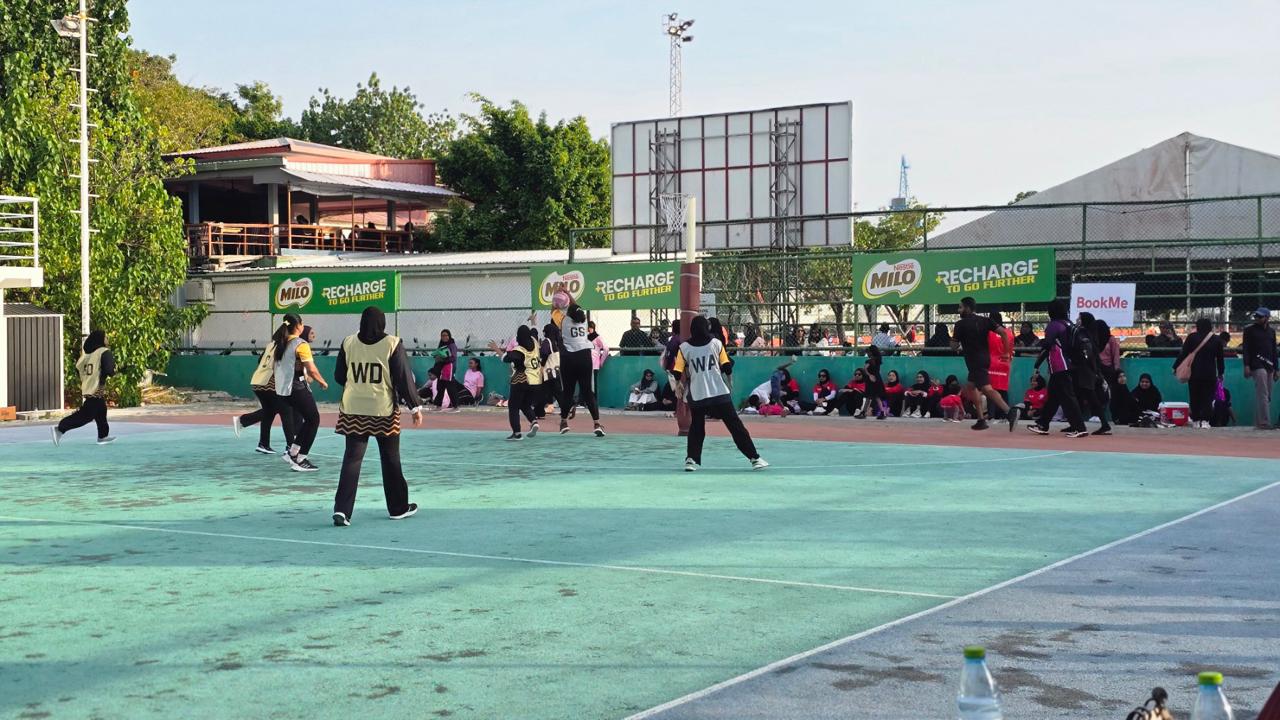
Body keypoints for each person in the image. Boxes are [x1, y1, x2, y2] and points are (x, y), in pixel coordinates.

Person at [331, 307, 425, 526]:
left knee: (352, 459)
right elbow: (402, 377)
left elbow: (339, 376)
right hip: (383, 409)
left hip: (353, 409)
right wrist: (415, 407)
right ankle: (398, 508)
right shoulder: (392, 343)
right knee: (390, 459)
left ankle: (342, 510)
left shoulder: (348, 342)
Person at [673, 315, 768, 471]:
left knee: (697, 427)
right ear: (706, 328)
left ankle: (691, 460)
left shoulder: (684, 348)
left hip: (697, 394)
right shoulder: (716, 343)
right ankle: (754, 458)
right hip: (718, 392)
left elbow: (677, 371)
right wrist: (730, 382)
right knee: (735, 426)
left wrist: (678, 385)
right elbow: (727, 366)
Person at [951, 297, 1018, 430]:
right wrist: (1006, 352)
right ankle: (981, 419)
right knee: (971, 387)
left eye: (960, 307)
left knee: (987, 389)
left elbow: (954, 346)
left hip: (974, 361)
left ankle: (1010, 412)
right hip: (984, 359)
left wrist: (954, 341)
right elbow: (1004, 333)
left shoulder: (960, 324)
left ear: (967, 308)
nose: (959, 310)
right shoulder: (985, 320)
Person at [273, 316, 328, 471]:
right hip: (296, 387)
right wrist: (322, 381)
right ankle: (301, 459)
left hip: (282, 390)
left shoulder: (280, 343)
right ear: (298, 326)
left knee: (308, 419)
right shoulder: (300, 344)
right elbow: (311, 369)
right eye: (302, 323)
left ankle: (292, 452)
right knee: (314, 419)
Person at [1030, 299, 1087, 437]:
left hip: (1059, 365)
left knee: (1068, 398)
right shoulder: (1068, 323)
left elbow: (1047, 345)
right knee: (1054, 397)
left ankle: (1080, 428)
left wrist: (1038, 359)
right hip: (1069, 364)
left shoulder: (1053, 325)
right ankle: (1043, 424)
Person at [52, 330, 117, 446]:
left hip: (88, 387)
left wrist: (87, 378)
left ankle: (103, 436)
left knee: (101, 410)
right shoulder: (104, 351)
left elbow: (78, 368)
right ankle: (60, 428)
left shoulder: (87, 354)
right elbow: (109, 370)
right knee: (86, 415)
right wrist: (113, 372)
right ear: (100, 339)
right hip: (96, 388)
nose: (107, 339)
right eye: (106, 337)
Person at [553, 295, 605, 437]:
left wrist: (557, 299)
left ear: (569, 313)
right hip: (584, 357)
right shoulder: (584, 321)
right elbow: (577, 307)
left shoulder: (564, 321)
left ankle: (564, 422)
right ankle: (597, 424)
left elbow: (554, 310)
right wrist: (568, 293)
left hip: (569, 358)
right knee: (587, 391)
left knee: (568, 392)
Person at [233, 332, 293, 454]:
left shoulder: (271, 345)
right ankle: (290, 446)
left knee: (269, 412)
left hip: (258, 381)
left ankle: (263, 444)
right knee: (285, 409)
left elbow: (260, 360)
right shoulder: (285, 346)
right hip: (268, 383)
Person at [490, 326, 542, 440]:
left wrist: (496, 349)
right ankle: (533, 421)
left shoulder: (519, 350)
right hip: (536, 381)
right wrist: (533, 322)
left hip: (522, 379)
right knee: (525, 405)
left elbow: (506, 358)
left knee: (513, 406)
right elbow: (534, 332)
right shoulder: (534, 341)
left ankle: (517, 433)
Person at [1173, 318, 1225, 429]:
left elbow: (1183, 353)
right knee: (1208, 397)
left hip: (1194, 372)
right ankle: (1205, 421)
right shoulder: (1216, 339)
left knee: (1195, 396)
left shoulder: (1192, 337)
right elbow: (1220, 358)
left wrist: (1175, 366)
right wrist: (1221, 372)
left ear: (1198, 326)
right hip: (1210, 373)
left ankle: (1196, 420)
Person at [1073, 312, 1112, 436]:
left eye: (1079, 318)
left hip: (1085, 370)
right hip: (1087, 370)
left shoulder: (1083, 335)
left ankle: (1104, 424)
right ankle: (1076, 424)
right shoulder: (1090, 335)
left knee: (1091, 398)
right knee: (1082, 396)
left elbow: (1087, 355)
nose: (1077, 320)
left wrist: (1092, 369)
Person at [1241, 307, 1277, 429]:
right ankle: (1264, 422)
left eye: (1260, 317)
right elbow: (1246, 348)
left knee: (1267, 395)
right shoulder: (1249, 330)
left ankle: (1259, 422)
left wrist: (1276, 368)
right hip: (1256, 364)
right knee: (1263, 393)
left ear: (1267, 318)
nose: (1257, 318)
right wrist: (1246, 365)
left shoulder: (1271, 332)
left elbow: (1274, 351)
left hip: (1269, 365)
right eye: (1256, 316)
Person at [986, 312, 1015, 419]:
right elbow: (1011, 350)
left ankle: (991, 415)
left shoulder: (989, 333)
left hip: (992, 363)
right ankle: (1006, 415)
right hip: (1005, 363)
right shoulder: (1009, 333)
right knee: (1003, 389)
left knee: (990, 390)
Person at [427, 330, 459, 409]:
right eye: (442, 336)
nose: (444, 337)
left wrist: (443, 359)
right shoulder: (441, 345)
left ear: (449, 336)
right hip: (441, 369)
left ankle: (455, 406)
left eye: (446, 335)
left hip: (449, 369)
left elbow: (453, 357)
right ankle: (438, 405)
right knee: (440, 387)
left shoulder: (452, 345)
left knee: (450, 388)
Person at [856, 345, 886, 419]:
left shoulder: (869, 361)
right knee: (877, 397)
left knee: (868, 397)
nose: (867, 354)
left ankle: (863, 413)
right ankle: (882, 413)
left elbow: (865, 369)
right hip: (877, 379)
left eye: (868, 352)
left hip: (871, 381)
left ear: (871, 352)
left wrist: (869, 375)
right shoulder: (878, 360)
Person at [588, 320, 608, 392]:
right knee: (586, 384)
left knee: (593, 385)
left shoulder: (597, 337)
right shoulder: (585, 337)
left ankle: (594, 398)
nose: (588, 330)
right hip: (586, 363)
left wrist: (601, 362)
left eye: (590, 328)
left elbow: (606, 349)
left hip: (594, 365)